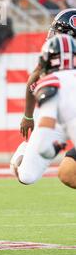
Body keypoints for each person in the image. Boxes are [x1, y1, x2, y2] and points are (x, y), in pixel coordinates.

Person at [11, 9, 76, 189]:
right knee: (26, 176)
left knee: (68, 172)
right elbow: (33, 81)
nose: (53, 35)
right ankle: (24, 150)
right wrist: (28, 116)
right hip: (57, 118)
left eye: (59, 32)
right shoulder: (54, 59)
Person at [24, 34, 76, 185]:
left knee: (67, 173)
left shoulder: (51, 83)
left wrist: (56, 147)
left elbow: (44, 147)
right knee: (68, 172)